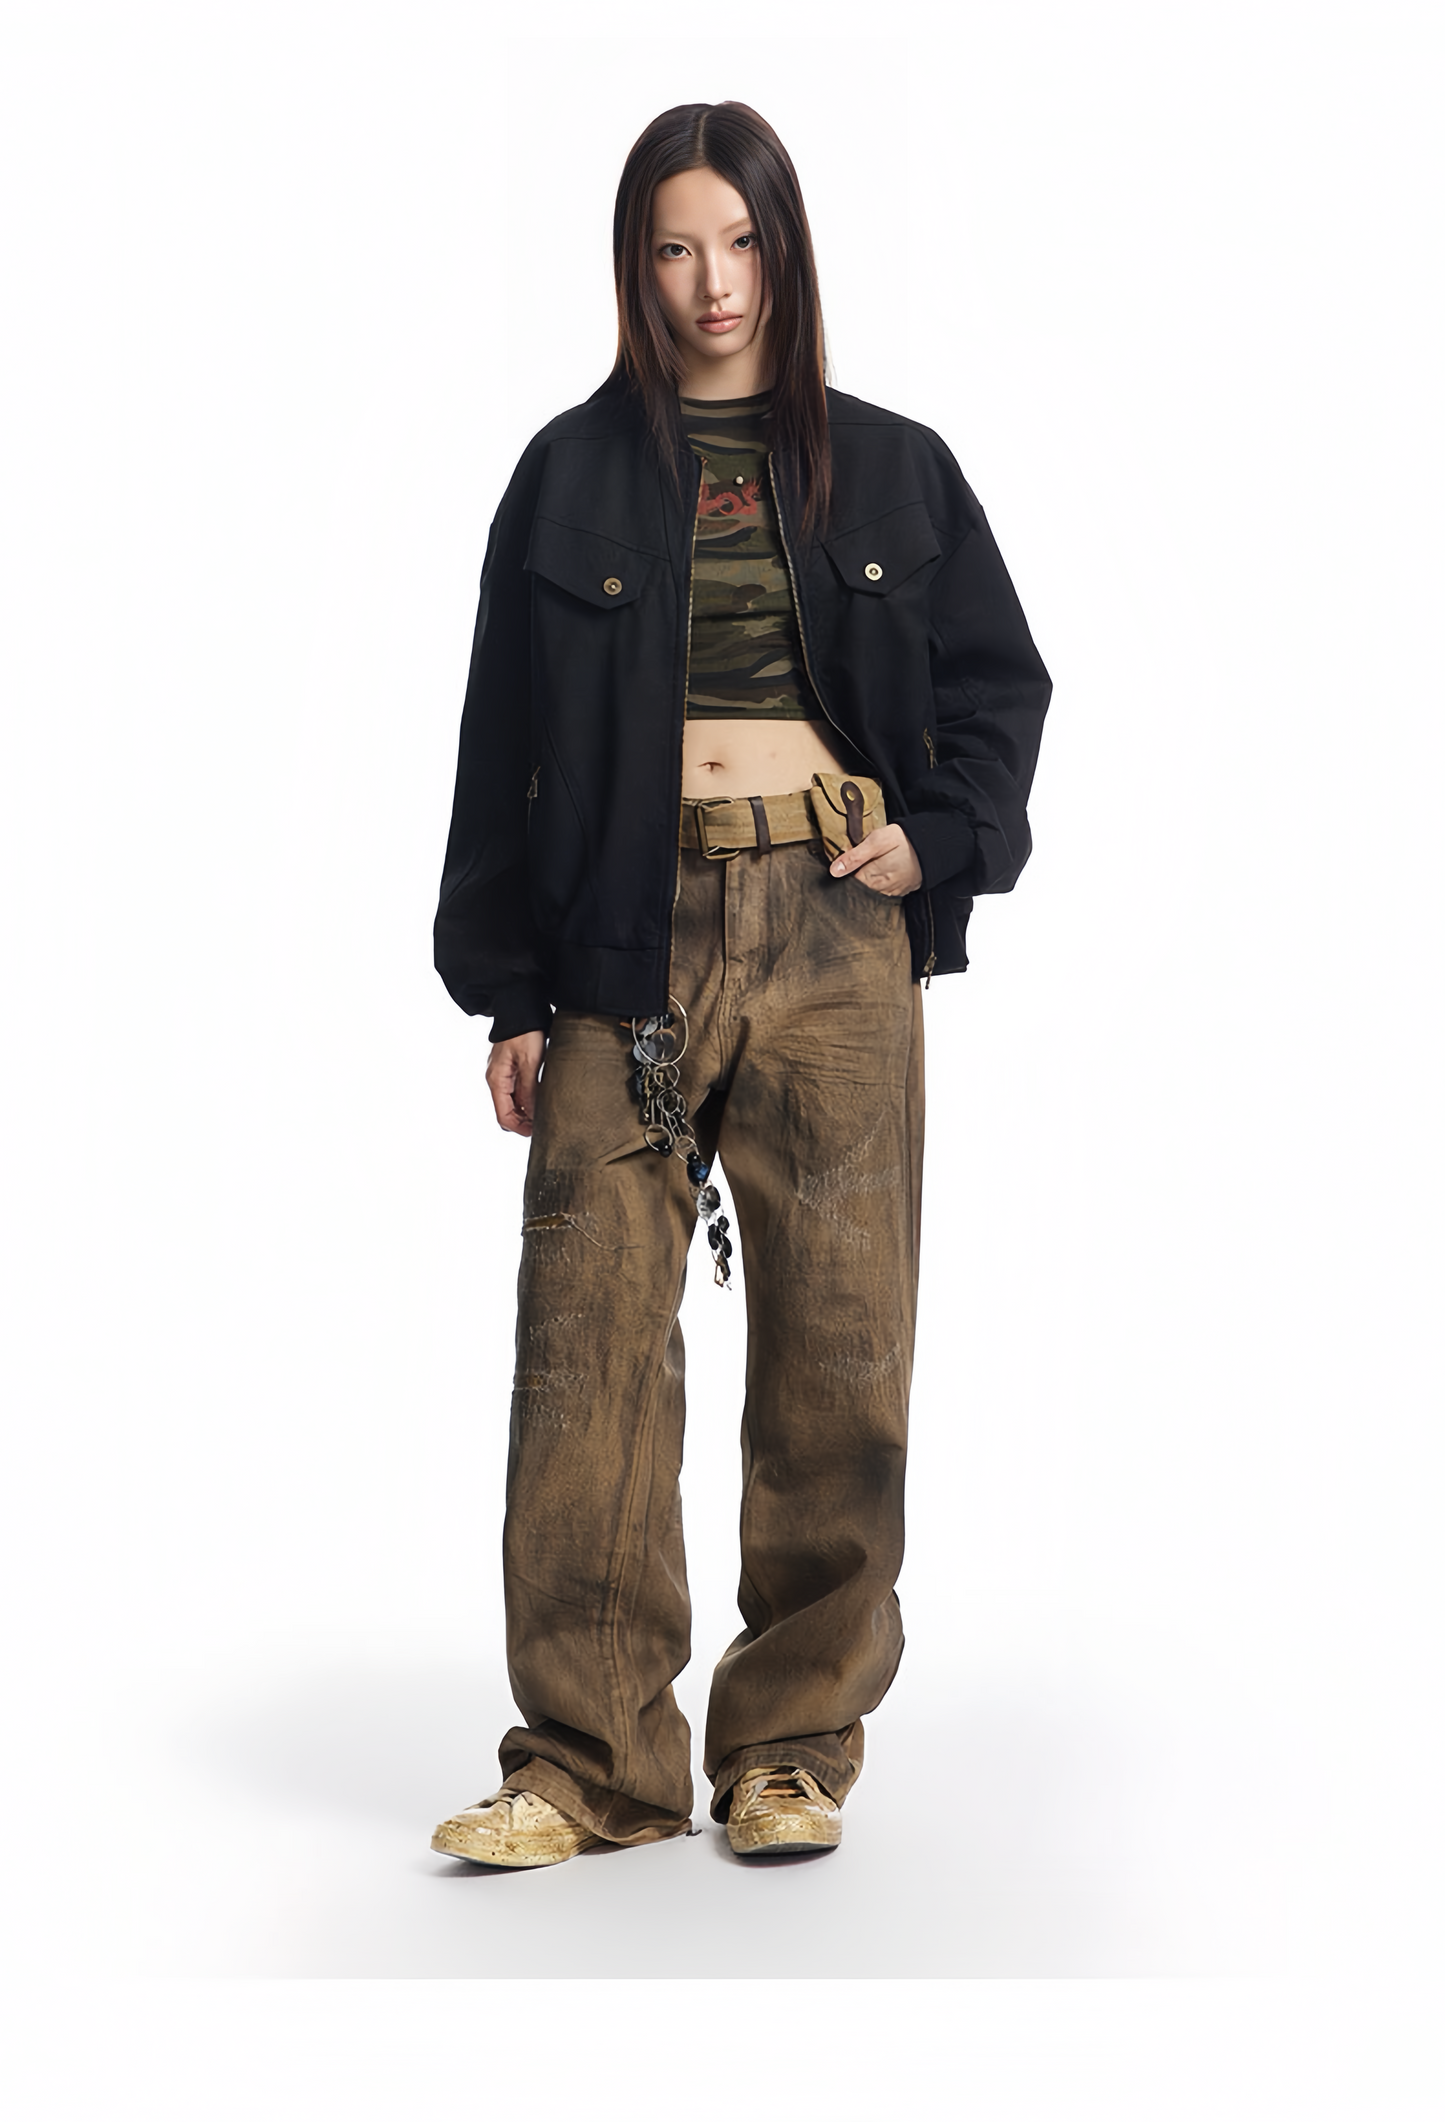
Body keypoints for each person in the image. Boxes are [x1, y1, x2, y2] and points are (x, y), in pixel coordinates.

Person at [428, 101, 1051, 1867]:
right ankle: (589, 1761)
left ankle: (788, 1746)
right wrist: (510, 993)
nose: (713, 283)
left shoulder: (897, 468)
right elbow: (498, 746)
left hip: (837, 928)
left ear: (785, 248)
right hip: (620, 938)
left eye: (741, 242)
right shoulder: (565, 474)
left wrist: (940, 841)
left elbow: (1001, 689)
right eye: (675, 247)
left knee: (841, 1343)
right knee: (586, 1344)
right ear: (637, 267)